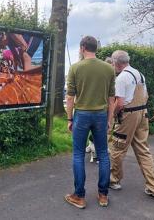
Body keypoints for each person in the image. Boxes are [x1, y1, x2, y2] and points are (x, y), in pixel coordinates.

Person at [65, 36, 115, 209]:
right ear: (95, 48)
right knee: (103, 154)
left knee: (78, 154)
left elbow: (70, 97)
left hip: (82, 115)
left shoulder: (75, 67)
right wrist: (110, 119)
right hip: (101, 115)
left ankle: (79, 196)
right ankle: (103, 195)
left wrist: (69, 118)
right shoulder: (108, 68)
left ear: (83, 47)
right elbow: (111, 98)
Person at [109, 50, 154, 199]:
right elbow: (145, 96)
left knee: (118, 148)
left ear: (116, 62)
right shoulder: (140, 74)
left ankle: (114, 180)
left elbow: (119, 103)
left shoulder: (121, 78)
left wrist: (112, 116)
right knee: (143, 150)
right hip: (142, 114)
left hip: (128, 115)